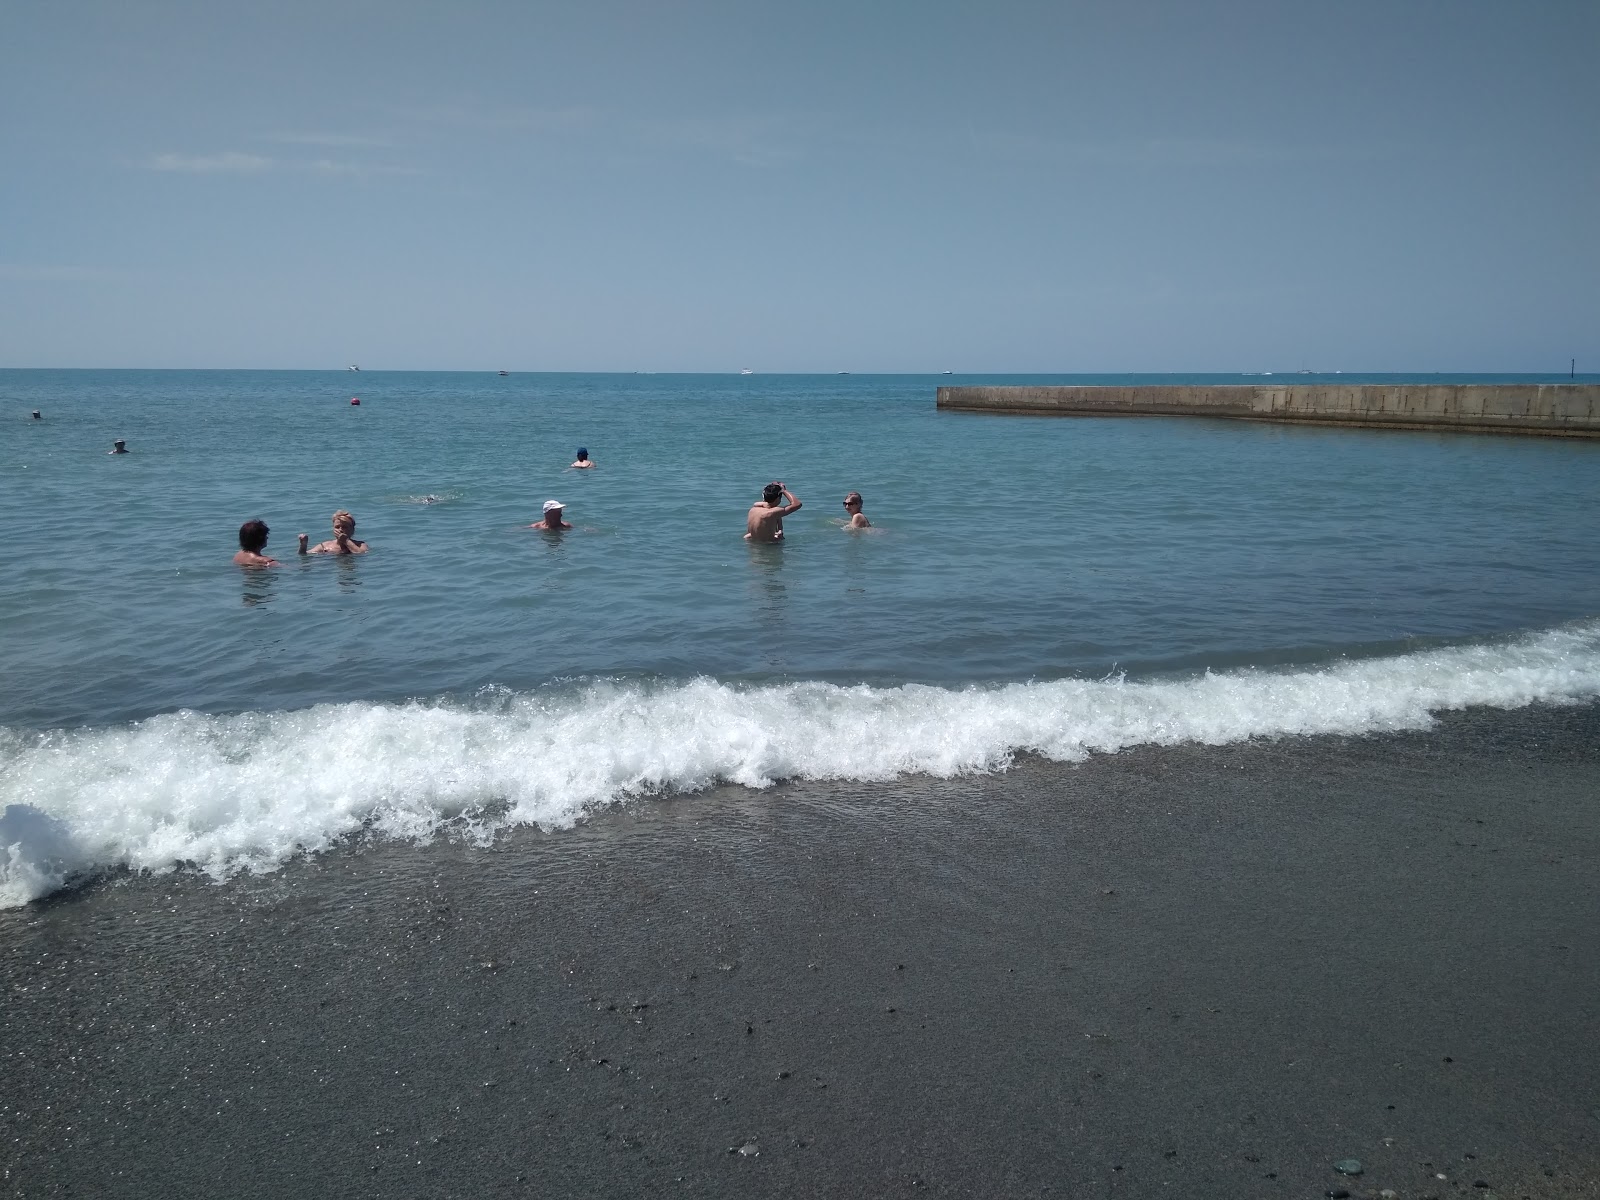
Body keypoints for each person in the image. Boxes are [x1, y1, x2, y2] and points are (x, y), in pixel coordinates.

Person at [299, 510, 368, 555]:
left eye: (344, 527)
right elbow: (304, 555)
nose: (340, 530)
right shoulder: (325, 546)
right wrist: (303, 545)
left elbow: (361, 555)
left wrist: (346, 541)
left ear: (352, 530)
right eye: (337, 527)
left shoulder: (360, 545)